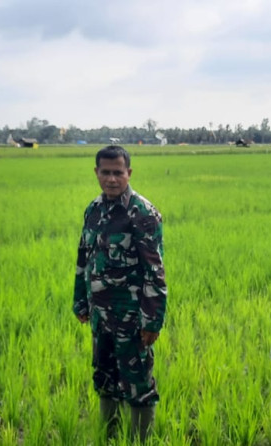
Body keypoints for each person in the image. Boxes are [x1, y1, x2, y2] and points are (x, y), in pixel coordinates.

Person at [74, 145, 167, 442]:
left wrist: (152, 321)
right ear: (96, 173)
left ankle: (141, 439)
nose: (112, 179)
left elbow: (155, 271)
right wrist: (80, 301)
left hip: (132, 319)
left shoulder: (142, 213)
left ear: (129, 173)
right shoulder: (93, 210)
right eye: (106, 172)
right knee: (104, 377)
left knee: (138, 382)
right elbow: (83, 259)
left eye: (118, 172)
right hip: (101, 315)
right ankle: (109, 436)